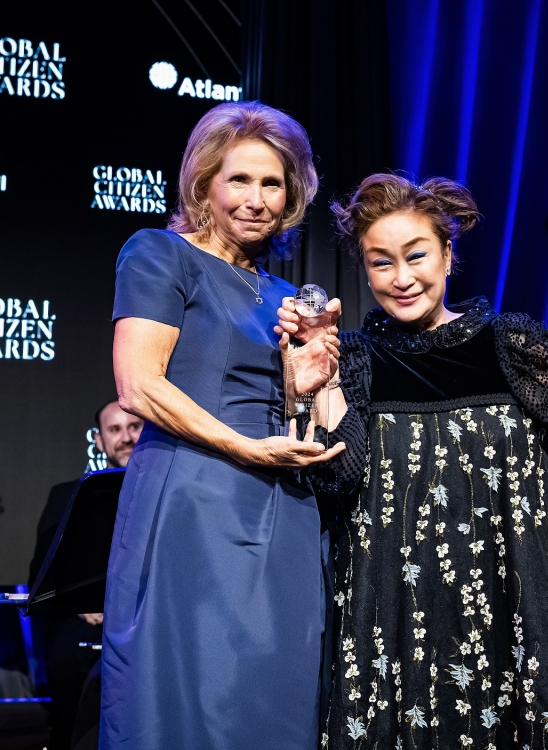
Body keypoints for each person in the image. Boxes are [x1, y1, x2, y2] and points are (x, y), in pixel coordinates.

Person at [277, 174, 548, 749]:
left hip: (513, 614)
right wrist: (310, 393)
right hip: (399, 620)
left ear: (448, 254)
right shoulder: (357, 360)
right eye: (380, 263)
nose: (401, 279)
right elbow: (337, 479)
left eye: (416, 255)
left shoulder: (511, 347)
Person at [100, 101, 345, 750]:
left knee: (274, 696)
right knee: (188, 690)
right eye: (239, 179)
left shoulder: (283, 296)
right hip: (194, 503)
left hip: (282, 510)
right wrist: (244, 446)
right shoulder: (160, 255)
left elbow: (299, 415)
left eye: (273, 183)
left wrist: (311, 385)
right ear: (204, 181)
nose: (257, 198)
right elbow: (139, 385)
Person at [28, 400, 142, 750]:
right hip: (85, 618)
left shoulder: (170, 492)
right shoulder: (66, 495)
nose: (126, 437)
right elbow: (44, 574)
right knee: (67, 654)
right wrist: (83, 602)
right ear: (99, 440)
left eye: (135, 427)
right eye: (115, 430)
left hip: (148, 614)